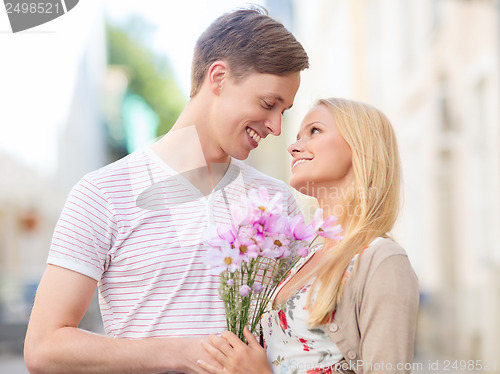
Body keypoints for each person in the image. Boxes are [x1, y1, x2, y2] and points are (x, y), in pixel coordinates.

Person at [24, 6, 309, 374]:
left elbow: (301, 333)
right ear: (219, 78)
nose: (275, 127)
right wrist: (184, 353)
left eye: (283, 111)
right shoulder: (103, 194)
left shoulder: (277, 201)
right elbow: (44, 348)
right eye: (268, 104)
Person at [197, 98, 420, 374]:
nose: (293, 147)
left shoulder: (382, 260)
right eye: (298, 136)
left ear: (360, 146)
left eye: (315, 131)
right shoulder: (303, 255)